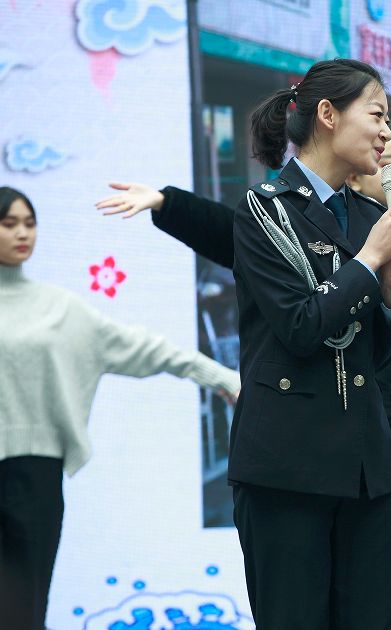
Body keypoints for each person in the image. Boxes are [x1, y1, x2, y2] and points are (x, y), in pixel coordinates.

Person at [97, 123, 391, 630]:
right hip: (356, 459)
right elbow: (236, 235)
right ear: (355, 180)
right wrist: (168, 203)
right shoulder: (321, 249)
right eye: (388, 162)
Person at [236, 58, 391, 629]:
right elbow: (299, 327)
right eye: (377, 115)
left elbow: (373, 355)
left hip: (366, 465)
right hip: (287, 466)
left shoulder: (370, 211)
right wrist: (370, 260)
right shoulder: (264, 209)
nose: (386, 133)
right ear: (326, 115)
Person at [0, 187, 240, 630]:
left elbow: (147, 348)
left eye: (29, 223)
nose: (22, 233)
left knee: (21, 611)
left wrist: (223, 378)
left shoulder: (57, 309)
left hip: (31, 478)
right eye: (9, 223)